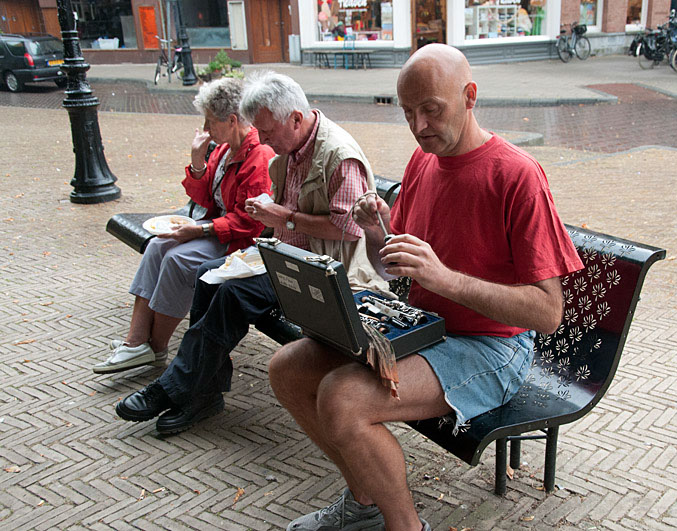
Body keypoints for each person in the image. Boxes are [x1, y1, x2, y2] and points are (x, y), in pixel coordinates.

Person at [268, 44, 584, 531]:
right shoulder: (424, 162)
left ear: (470, 96)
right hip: (425, 329)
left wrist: (445, 279)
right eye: (408, 113)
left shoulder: (516, 175)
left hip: (494, 347)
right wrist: (380, 233)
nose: (418, 126)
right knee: (287, 368)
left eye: (431, 110)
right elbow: (399, 266)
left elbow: (547, 312)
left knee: (343, 399)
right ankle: (364, 503)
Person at [114, 70, 388, 435]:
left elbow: (349, 229)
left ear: (295, 117)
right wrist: (271, 215)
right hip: (284, 256)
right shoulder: (292, 146)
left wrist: (284, 218)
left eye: (269, 132)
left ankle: (178, 388)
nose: (264, 140)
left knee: (231, 293)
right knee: (208, 276)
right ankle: (203, 393)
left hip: (325, 271)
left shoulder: (338, 156)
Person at [94, 78, 274, 375]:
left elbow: (250, 222)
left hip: (240, 241)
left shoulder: (258, 157)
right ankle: (135, 341)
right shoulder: (224, 149)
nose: (205, 129)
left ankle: (155, 348)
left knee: (178, 261)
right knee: (156, 246)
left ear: (231, 121)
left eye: (210, 121)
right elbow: (203, 197)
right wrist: (197, 162)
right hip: (218, 228)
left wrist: (199, 231)